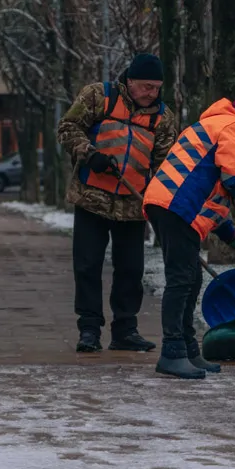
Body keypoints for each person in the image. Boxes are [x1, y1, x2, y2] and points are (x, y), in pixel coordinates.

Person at [142, 91, 235, 379]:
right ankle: (172, 353)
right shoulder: (234, 126)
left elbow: (213, 196)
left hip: (171, 204)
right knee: (181, 279)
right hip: (177, 206)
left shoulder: (213, 126)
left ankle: (187, 349)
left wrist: (231, 238)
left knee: (191, 277)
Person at [56, 53, 179, 353]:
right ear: (130, 81)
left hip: (133, 206)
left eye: (156, 87)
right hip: (92, 199)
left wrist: (161, 202)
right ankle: (89, 329)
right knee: (87, 265)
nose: (151, 93)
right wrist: (88, 152)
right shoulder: (99, 96)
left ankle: (125, 329)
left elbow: (164, 165)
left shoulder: (163, 118)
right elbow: (67, 128)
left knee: (131, 270)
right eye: (146, 86)